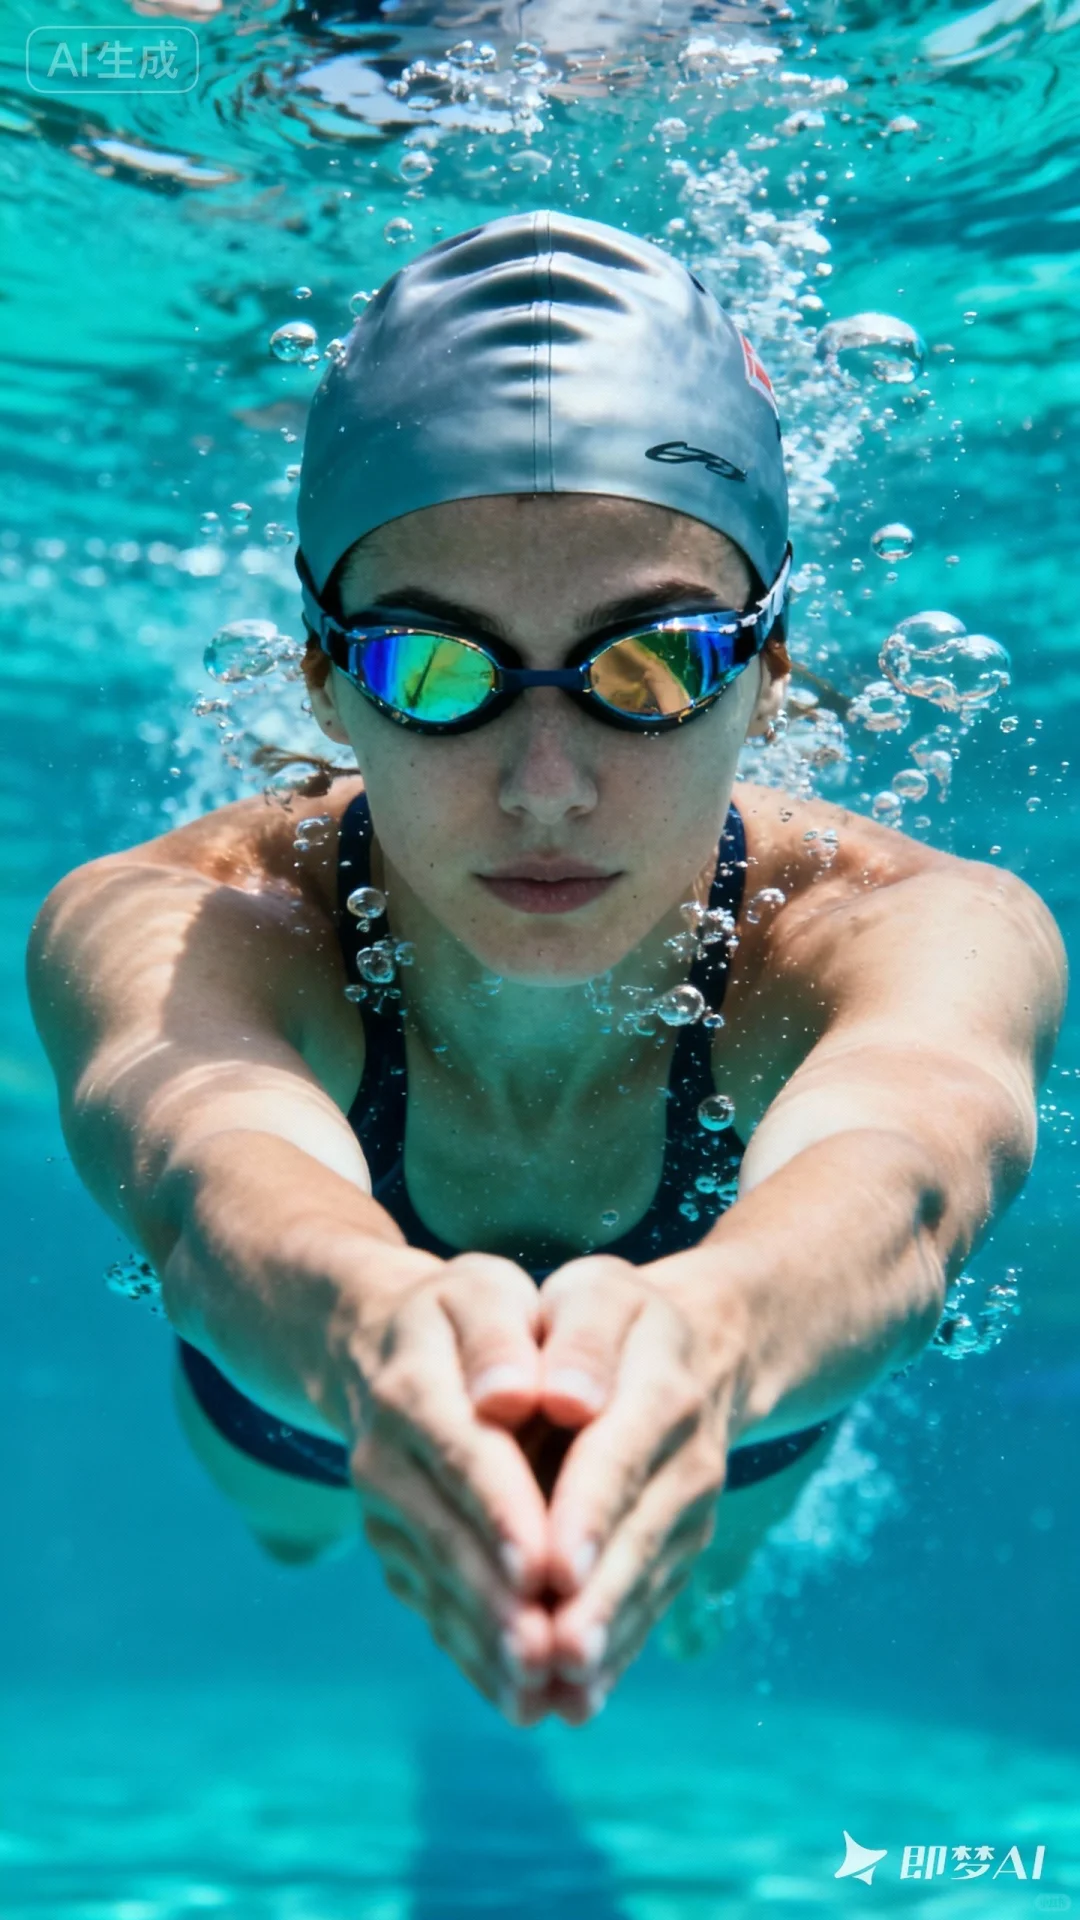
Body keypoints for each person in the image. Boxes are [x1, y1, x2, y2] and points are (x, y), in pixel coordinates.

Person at [27, 210, 1066, 1729]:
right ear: (326, 680)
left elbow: (912, 1168)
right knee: (295, 1525)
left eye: (653, 664)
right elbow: (201, 1165)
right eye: (431, 671)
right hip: (313, 1393)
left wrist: (712, 1346)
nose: (545, 786)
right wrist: (366, 1337)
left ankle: (679, 1569)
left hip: (746, 1394)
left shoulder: (901, 923)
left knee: (703, 1562)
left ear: (768, 669)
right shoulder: (199, 915)